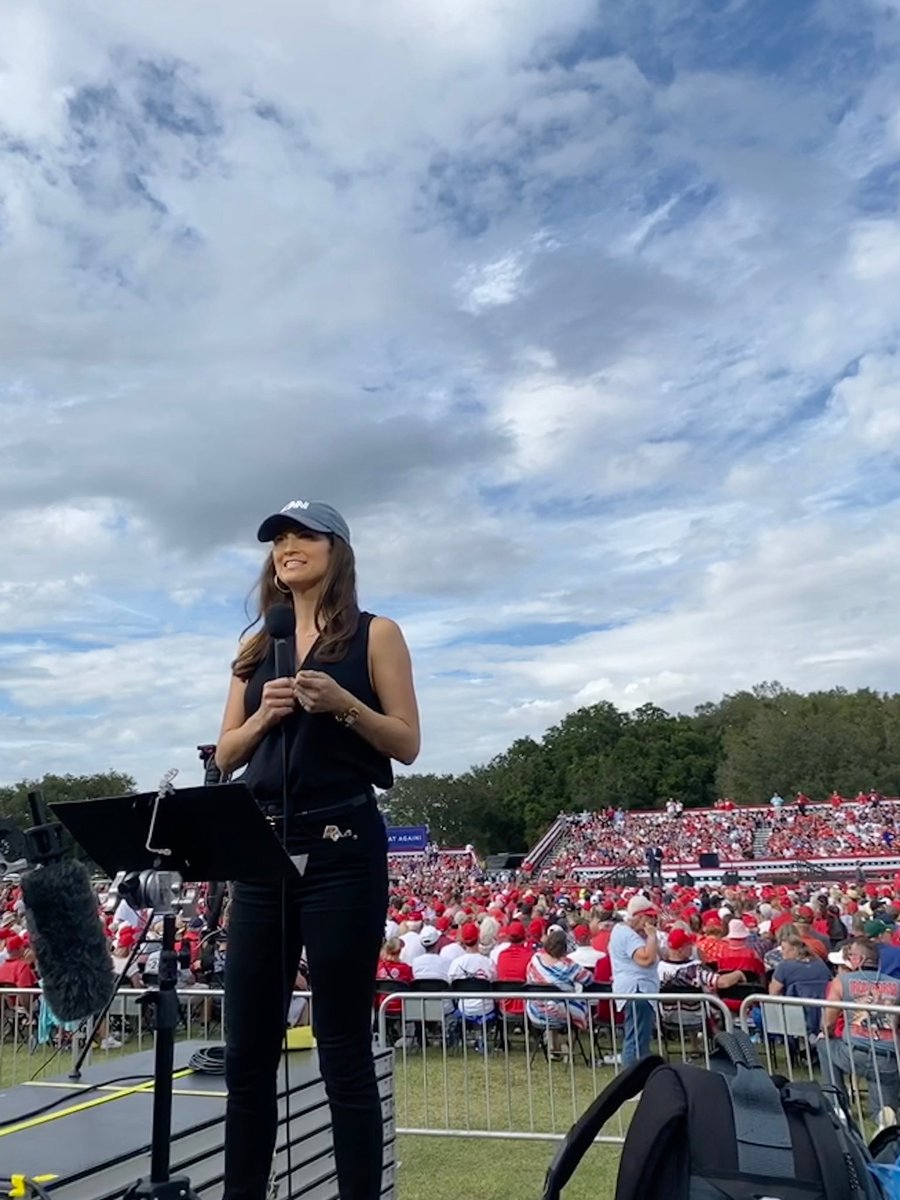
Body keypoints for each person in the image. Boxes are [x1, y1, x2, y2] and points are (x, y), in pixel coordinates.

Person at [214, 499, 420, 1200]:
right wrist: (265, 714)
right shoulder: (253, 647)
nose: (288, 547)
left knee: (342, 1050)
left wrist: (343, 704)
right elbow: (225, 754)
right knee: (246, 1055)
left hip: (342, 846)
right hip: (261, 846)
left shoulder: (375, 633)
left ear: (338, 552)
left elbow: (406, 743)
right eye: (278, 539)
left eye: (305, 535)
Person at [821, 937, 900, 1122]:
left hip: (852, 1053)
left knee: (822, 1044)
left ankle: (837, 1103)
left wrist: (828, 1035)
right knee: (884, 1115)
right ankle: (884, 1119)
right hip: (887, 1057)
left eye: (851, 955)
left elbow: (828, 1023)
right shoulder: (897, 985)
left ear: (860, 960)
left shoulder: (841, 981)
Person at [608, 894, 659, 1066]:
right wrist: (652, 936)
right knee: (636, 1041)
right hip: (637, 990)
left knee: (639, 1039)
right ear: (639, 916)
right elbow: (645, 959)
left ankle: (638, 1077)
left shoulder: (624, 932)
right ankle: (631, 1080)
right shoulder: (627, 934)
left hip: (637, 989)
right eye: (649, 916)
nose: (652, 920)